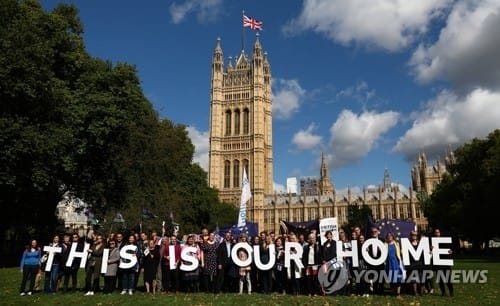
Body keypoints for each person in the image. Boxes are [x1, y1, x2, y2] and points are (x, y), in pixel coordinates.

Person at [432, 228, 454, 297]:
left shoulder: (445, 241)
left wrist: (451, 251)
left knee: (448, 278)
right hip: (438, 263)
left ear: (440, 233)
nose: (437, 233)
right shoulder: (432, 242)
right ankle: (443, 292)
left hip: (446, 262)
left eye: (438, 232)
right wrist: (431, 249)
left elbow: (451, 249)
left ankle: (451, 291)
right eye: (435, 232)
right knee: (440, 279)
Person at [384, 233, 403, 299]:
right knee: (391, 278)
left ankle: (398, 294)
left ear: (393, 236)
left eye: (391, 236)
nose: (389, 237)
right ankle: (392, 292)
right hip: (388, 263)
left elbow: (401, 252)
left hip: (396, 263)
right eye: (388, 236)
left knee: (398, 278)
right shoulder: (385, 244)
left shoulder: (397, 244)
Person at [406, 231, 424, 296]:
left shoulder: (420, 243)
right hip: (412, 263)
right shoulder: (408, 244)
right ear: (410, 235)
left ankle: (421, 291)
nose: (414, 236)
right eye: (412, 234)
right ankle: (415, 292)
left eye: (415, 235)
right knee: (414, 278)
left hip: (420, 263)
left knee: (422, 277)